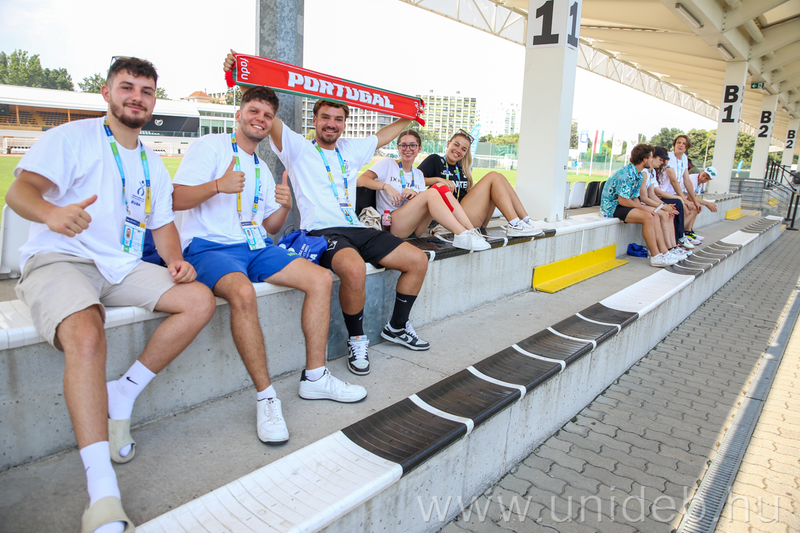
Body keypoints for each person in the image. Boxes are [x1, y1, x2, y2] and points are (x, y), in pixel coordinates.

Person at [5, 57, 217, 533]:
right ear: (107, 93)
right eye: (127, 87)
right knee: (86, 331)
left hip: (119, 267)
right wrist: (52, 214)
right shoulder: (72, 138)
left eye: (146, 90)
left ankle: (123, 392)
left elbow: (162, 225)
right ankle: (101, 493)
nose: (136, 97)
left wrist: (175, 260)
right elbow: (20, 192)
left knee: (199, 300)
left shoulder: (152, 162)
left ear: (154, 101)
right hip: (61, 257)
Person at [172, 87, 366, 445]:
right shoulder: (211, 147)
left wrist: (283, 206)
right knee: (243, 293)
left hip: (255, 246)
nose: (260, 119)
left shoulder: (261, 168)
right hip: (209, 246)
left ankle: (315, 377)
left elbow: (268, 228)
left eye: (267, 115)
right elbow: (175, 198)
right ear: (239, 114)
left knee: (321, 279)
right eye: (253, 111)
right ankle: (266, 398)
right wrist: (217, 186)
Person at [224, 51, 431, 376]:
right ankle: (357, 339)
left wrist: (411, 112)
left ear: (344, 124)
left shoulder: (351, 149)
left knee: (417, 260)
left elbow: (386, 134)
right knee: (353, 268)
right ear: (315, 120)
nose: (331, 124)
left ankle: (397, 326)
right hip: (321, 232)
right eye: (325, 118)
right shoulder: (298, 148)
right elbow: (264, 115)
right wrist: (243, 76)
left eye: (337, 119)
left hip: (357, 228)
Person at [357, 129, 489, 251]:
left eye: (412, 145)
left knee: (440, 188)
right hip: (392, 224)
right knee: (432, 192)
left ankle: (471, 231)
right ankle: (462, 234)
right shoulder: (388, 163)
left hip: (416, 227)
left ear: (419, 148)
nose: (408, 149)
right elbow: (360, 180)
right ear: (398, 147)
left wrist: (415, 195)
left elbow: (421, 204)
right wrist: (386, 186)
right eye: (403, 145)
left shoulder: (418, 174)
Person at [417, 129, 542, 237]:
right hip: (448, 220)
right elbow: (415, 181)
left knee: (500, 178)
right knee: (493, 176)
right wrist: (439, 180)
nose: (458, 150)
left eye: (463, 149)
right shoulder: (435, 160)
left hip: (466, 217)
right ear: (448, 144)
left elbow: (466, 195)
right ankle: (514, 223)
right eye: (456, 145)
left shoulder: (462, 168)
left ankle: (527, 220)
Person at [600, 144, 679, 268]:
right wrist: (645, 209)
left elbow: (635, 198)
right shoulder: (626, 174)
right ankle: (655, 256)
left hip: (622, 204)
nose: (653, 159)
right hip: (611, 207)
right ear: (645, 160)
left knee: (654, 215)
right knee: (647, 216)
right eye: (651, 157)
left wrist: (650, 209)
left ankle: (664, 252)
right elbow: (623, 201)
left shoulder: (639, 174)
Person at [639, 147, 688, 261]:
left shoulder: (651, 172)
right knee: (664, 214)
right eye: (660, 160)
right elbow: (644, 198)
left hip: (647, 203)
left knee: (669, 214)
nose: (661, 163)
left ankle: (672, 247)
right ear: (652, 158)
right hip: (641, 204)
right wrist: (663, 206)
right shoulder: (644, 172)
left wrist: (665, 206)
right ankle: (666, 250)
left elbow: (652, 194)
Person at [664, 135, 703, 244]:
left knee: (694, 207)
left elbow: (687, 180)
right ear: (674, 144)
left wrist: (695, 200)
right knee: (686, 208)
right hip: (664, 193)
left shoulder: (684, 158)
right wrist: (684, 199)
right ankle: (677, 238)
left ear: (687, 147)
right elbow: (673, 180)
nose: (681, 145)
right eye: (679, 142)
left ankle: (680, 235)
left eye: (684, 143)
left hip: (675, 194)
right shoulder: (669, 156)